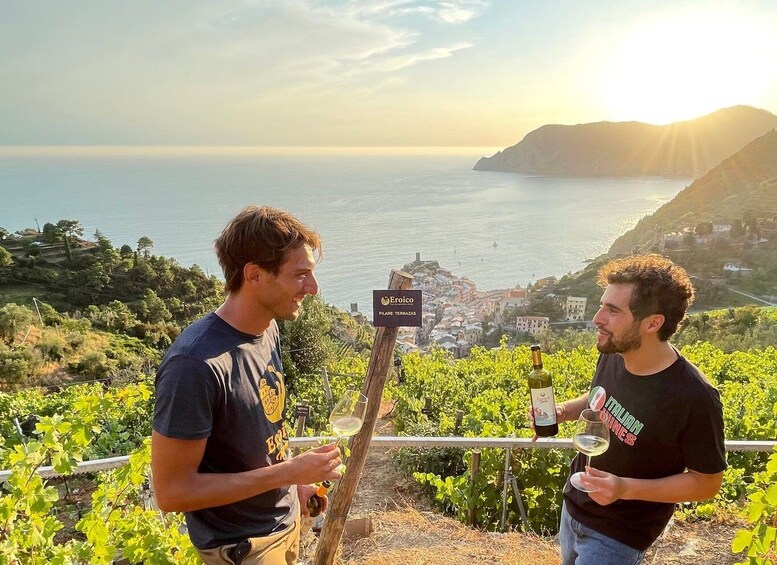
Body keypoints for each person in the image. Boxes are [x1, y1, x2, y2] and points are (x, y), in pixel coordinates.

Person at [151, 205, 342, 565]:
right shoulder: (194, 366)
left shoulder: (266, 328)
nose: (313, 289)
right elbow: (172, 492)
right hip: (243, 548)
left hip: (281, 524)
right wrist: (288, 473)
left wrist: (293, 485)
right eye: (301, 275)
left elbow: (262, 433)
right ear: (254, 275)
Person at [535, 254, 726, 564]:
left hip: (618, 534)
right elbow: (600, 396)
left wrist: (623, 488)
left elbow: (706, 483)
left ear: (653, 322)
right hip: (574, 506)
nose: (597, 318)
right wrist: (564, 410)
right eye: (602, 306)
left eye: (613, 310)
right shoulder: (616, 351)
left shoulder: (694, 397)